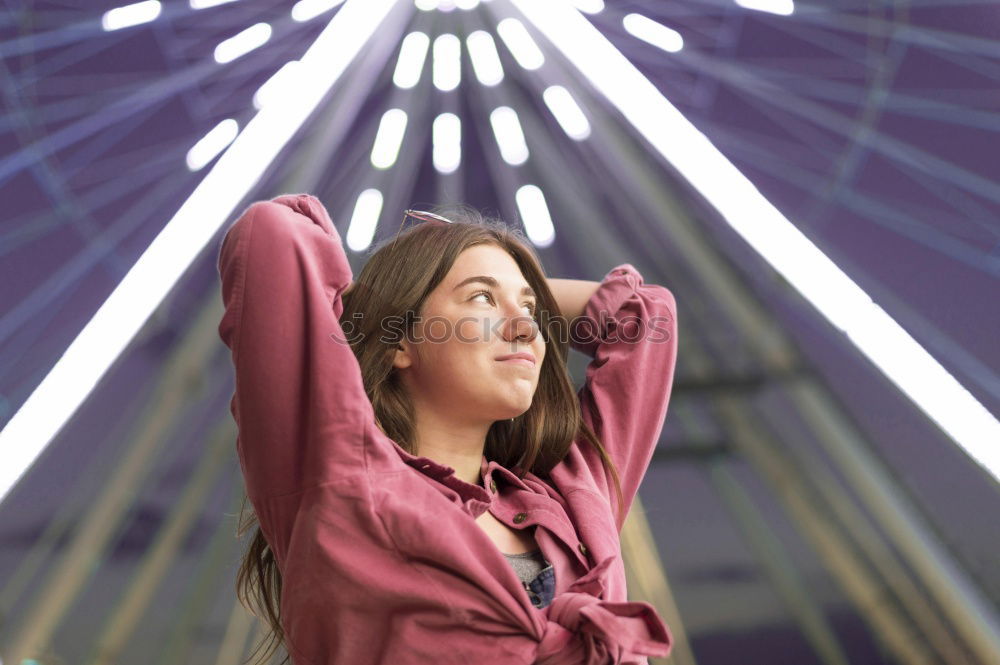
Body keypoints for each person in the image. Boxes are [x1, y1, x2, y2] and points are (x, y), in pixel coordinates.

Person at [216, 193, 679, 665]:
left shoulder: (572, 492)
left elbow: (643, 314)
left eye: (532, 309)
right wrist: (377, 304)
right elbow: (272, 230)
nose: (526, 328)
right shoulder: (337, 475)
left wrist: (502, 289)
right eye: (481, 298)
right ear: (401, 341)